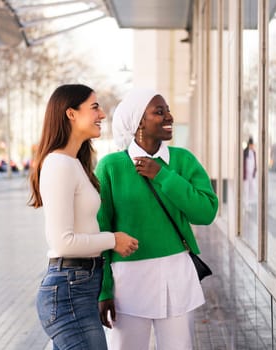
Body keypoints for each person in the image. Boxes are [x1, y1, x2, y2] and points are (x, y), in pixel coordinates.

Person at [96, 87, 218, 350]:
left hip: (177, 277)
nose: (169, 117)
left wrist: (162, 175)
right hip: (128, 282)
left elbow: (206, 212)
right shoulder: (110, 167)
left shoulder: (183, 161)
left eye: (168, 111)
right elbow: (102, 231)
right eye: (159, 112)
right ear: (139, 120)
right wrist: (104, 290)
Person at [28, 84, 139, 350]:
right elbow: (63, 242)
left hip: (79, 285)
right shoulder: (59, 164)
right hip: (69, 290)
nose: (102, 114)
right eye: (94, 107)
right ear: (71, 114)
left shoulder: (73, 163)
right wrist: (113, 239)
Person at [243, 136, 257, 205]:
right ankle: (246, 203)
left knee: (253, 189)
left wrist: (255, 171)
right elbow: (243, 163)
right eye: (251, 145)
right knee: (246, 190)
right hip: (246, 175)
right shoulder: (245, 152)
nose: (252, 146)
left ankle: (248, 201)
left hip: (251, 175)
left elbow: (255, 162)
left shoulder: (254, 152)